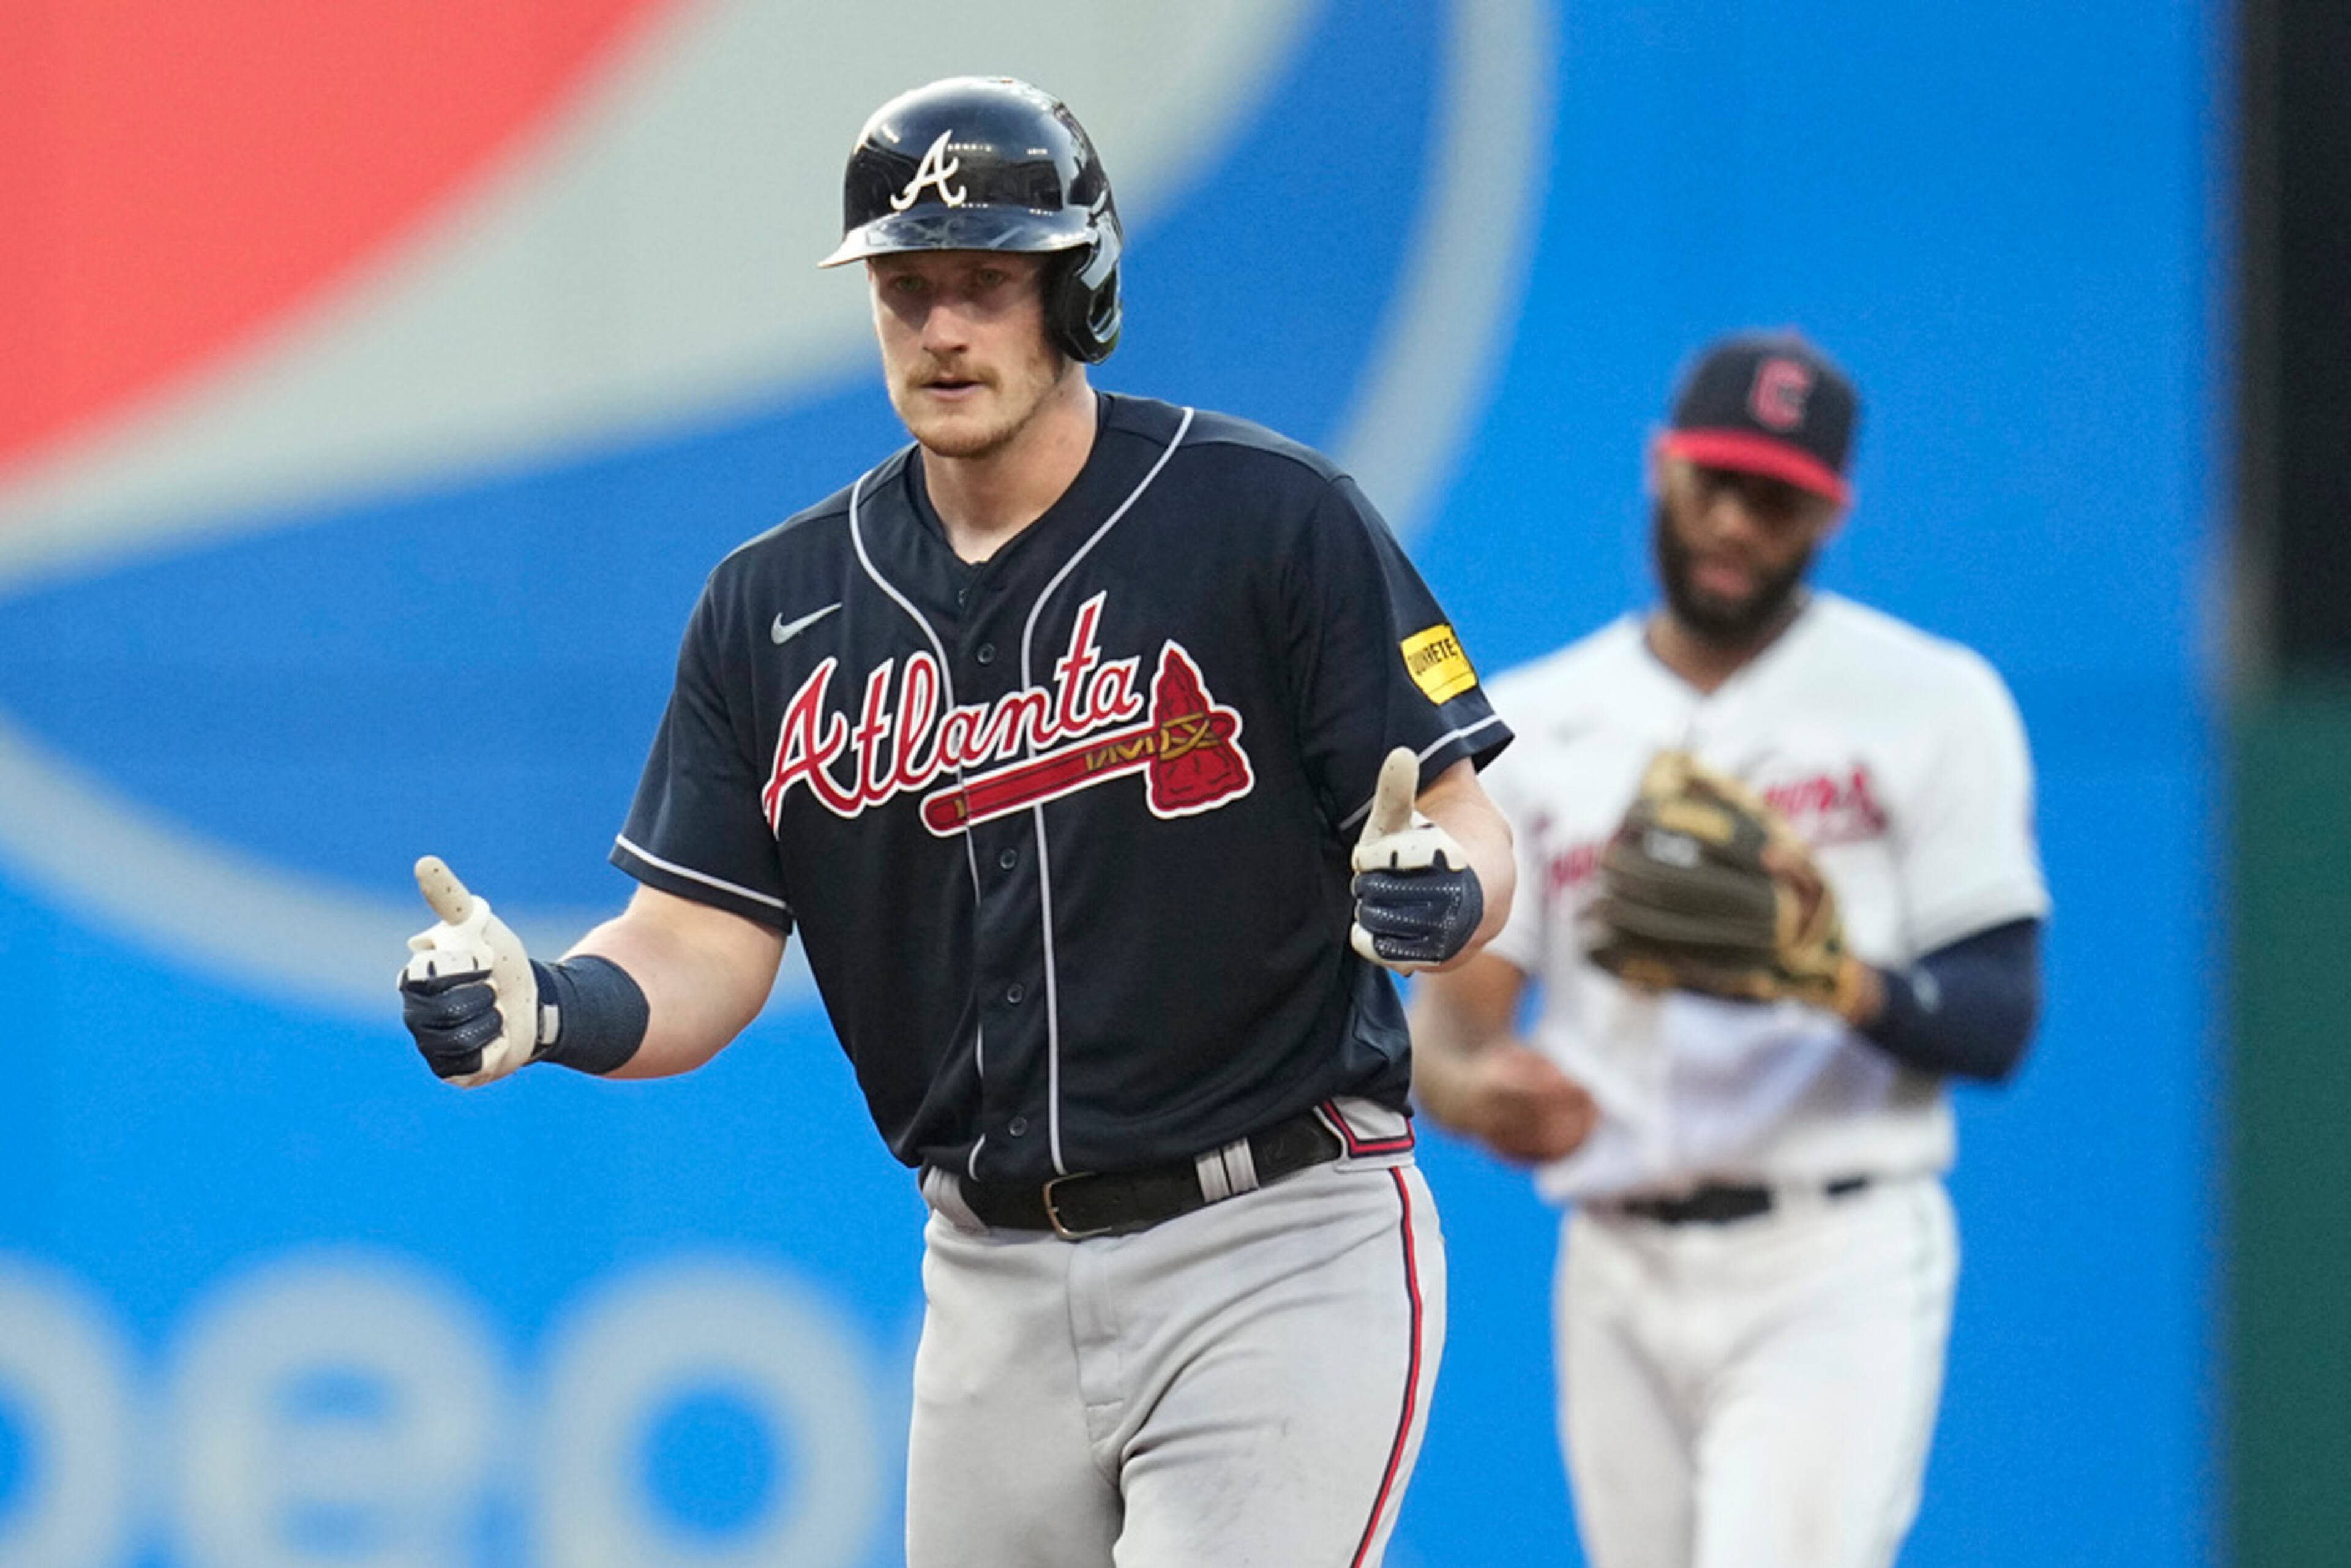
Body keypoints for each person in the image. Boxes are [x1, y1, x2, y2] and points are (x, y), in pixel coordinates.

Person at [396, 76, 1515, 1568]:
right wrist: (550, 1002)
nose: (941, 328)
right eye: (905, 287)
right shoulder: (773, 602)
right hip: (988, 1273)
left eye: (988, 282)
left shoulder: (1271, 518)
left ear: (1080, 293)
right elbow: (697, 941)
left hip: (1274, 1238)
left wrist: (1450, 886)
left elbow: (1460, 818)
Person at [1409, 331, 2048, 1568]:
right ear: (1662, 469)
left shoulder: (1931, 699)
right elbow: (1452, 1027)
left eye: (1780, 500)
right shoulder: (1541, 722)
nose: (1738, 525)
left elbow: (1999, 1013)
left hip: (1831, 1252)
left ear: (1829, 516)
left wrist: (1833, 976)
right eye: (1718, 482)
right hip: (1617, 1259)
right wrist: (1483, 1093)